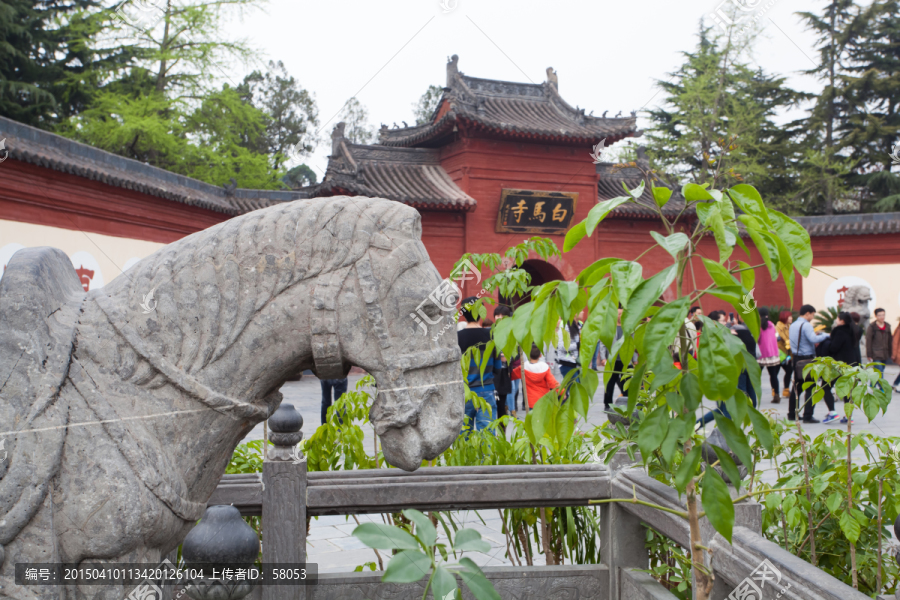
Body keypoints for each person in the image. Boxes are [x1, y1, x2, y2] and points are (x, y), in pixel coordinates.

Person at [457, 296, 502, 431]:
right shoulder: (492, 336)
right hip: (486, 390)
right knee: (487, 434)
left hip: (464, 392)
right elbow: (498, 368)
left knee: (464, 435)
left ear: (463, 314)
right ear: (481, 311)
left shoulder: (456, 339)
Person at [789, 304, 830, 423]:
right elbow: (813, 339)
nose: (812, 317)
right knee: (811, 387)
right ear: (807, 313)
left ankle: (792, 413)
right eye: (812, 315)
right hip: (807, 359)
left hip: (796, 359)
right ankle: (808, 415)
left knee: (796, 388)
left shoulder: (793, 325)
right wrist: (825, 335)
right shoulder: (806, 325)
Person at [511, 344, 561, 409]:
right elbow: (552, 382)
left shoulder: (523, 368)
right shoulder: (545, 368)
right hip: (544, 400)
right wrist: (562, 391)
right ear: (540, 356)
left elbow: (511, 375)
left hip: (530, 401)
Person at [494, 305, 521, 414]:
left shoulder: (512, 333)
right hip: (492, 374)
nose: (500, 318)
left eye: (503, 315)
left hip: (504, 374)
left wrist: (508, 357)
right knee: (493, 405)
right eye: (497, 315)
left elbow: (517, 354)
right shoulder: (491, 332)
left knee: (501, 407)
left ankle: (502, 430)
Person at [756, 307, 781, 403]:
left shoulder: (758, 325)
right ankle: (776, 394)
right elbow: (776, 337)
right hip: (772, 354)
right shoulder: (772, 325)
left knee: (756, 376)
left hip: (761, 354)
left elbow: (756, 338)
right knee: (773, 376)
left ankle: (755, 395)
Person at [866, 308, 892, 378]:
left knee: (880, 371)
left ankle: (873, 383)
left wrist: (891, 353)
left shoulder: (888, 326)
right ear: (876, 316)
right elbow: (868, 341)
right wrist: (869, 354)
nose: (882, 317)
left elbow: (890, 341)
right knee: (879, 371)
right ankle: (882, 388)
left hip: (885, 353)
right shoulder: (872, 327)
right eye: (879, 315)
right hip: (876, 353)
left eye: (883, 315)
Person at [555, 320, 581, 389]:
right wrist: (577, 345)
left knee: (574, 391)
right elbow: (561, 346)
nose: (582, 312)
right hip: (567, 364)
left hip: (573, 363)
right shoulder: (565, 325)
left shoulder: (575, 324)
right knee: (574, 391)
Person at [776, 311, 794, 401]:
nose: (791, 318)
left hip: (787, 354)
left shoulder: (790, 327)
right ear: (784, 317)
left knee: (789, 370)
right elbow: (780, 338)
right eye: (789, 317)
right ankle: (775, 391)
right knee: (775, 372)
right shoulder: (778, 327)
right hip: (779, 353)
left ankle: (786, 390)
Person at [892, 317, 900, 393]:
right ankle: (896, 384)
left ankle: (895, 384)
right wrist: (894, 355)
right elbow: (895, 342)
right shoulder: (899, 329)